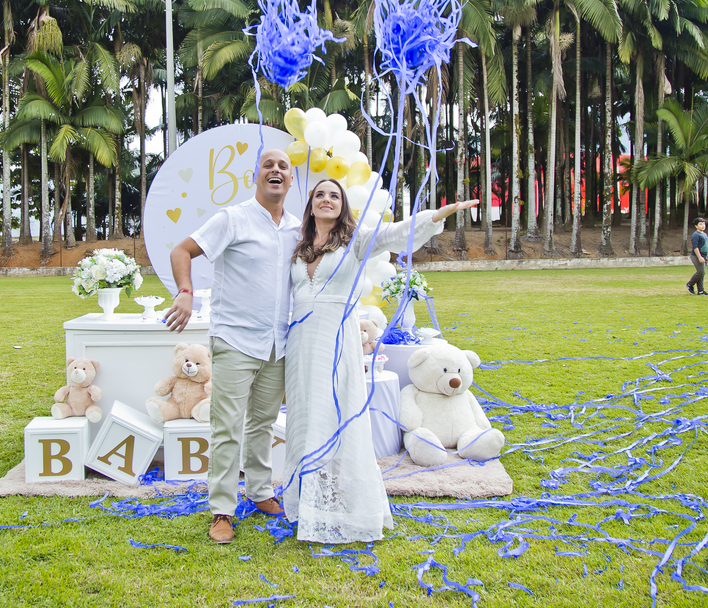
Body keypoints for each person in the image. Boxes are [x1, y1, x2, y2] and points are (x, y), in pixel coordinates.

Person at [284, 177, 477, 543]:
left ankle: (343, 502)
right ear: (311, 205)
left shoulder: (355, 241)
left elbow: (396, 233)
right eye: (320, 195)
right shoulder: (298, 246)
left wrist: (438, 215)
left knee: (337, 414)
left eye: (334, 195)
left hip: (336, 340)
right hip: (300, 343)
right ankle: (308, 501)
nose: (326, 200)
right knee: (305, 416)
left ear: (342, 205)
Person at [164, 148, 299, 545]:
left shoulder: (297, 229)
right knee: (226, 428)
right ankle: (222, 508)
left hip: (277, 344)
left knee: (263, 424)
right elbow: (181, 250)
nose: (276, 170)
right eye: (268, 165)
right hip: (235, 340)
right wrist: (185, 292)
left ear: (291, 180)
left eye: (283, 167)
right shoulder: (233, 218)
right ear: (255, 176)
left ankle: (260, 491)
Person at [687, 217, 708, 295]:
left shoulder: (704, 234)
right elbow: (695, 247)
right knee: (701, 272)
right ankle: (690, 284)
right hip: (696, 256)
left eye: (704, 224)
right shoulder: (695, 235)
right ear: (696, 226)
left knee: (702, 274)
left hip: (704, 256)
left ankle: (701, 291)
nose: (703, 226)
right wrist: (699, 257)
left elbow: (706, 246)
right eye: (700, 224)